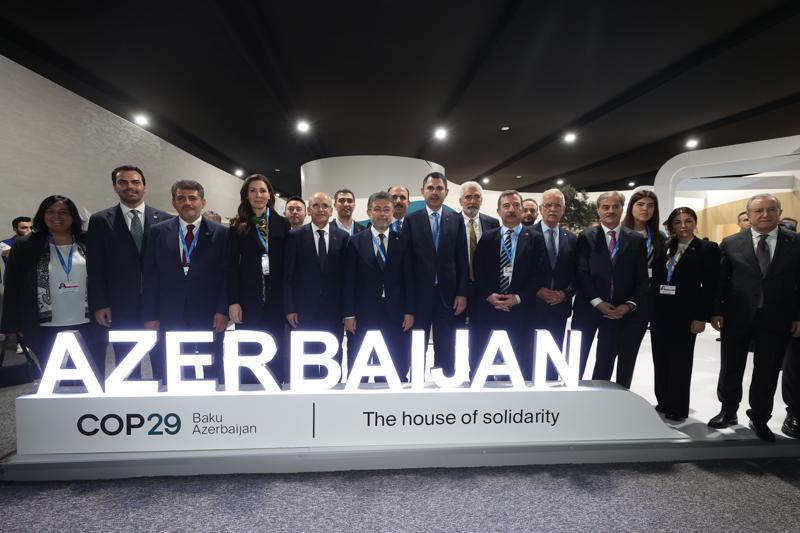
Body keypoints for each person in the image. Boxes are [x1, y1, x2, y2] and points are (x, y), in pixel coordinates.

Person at [709, 193, 800, 441]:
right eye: (758, 210)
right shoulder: (731, 243)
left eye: (771, 210)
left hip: (777, 318)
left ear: (780, 213)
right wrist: (716, 311)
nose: (765, 215)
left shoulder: (796, 243)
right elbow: (721, 282)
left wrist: (798, 316)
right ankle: (728, 411)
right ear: (748, 215)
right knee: (731, 366)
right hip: (736, 316)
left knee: (767, 370)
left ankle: (759, 418)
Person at [1, 196, 105, 375]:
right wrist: (11, 323)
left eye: (63, 212)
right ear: (42, 215)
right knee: (54, 380)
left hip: (89, 322)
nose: (57, 216)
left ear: (73, 216)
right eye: (50, 211)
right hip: (43, 326)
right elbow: (13, 283)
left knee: (92, 376)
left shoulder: (89, 241)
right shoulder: (25, 245)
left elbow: (104, 276)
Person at [87, 165, 172, 379]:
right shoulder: (100, 220)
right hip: (120, 306)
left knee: (163, 361)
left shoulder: (164, 219)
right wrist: (99, 303)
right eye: (122, 182)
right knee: (127, 362)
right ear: (115, 186)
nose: (130, 187)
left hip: (158, 305)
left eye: (135, 182)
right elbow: (95, 266)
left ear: (144, 186)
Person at [142, 180, 229, 382]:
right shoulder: (157, 232)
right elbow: (150, 276)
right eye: (181, 198)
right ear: (174, 202)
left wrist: (222, 310)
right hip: (169, 311)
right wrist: (150, 314)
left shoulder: (221, 233)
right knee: (169, 364)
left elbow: (225, 275)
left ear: (203, 202)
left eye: (193, 198)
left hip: (208, 311)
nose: (187, 202)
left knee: (212, 362)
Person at [571, 191, 648, 388]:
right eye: (605, 207)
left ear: (622, 209)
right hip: (588, 308)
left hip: (617, 311)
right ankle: (569, 396)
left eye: (615, 206)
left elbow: (641, 278)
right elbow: (581, 272)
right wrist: (597, 302)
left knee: (605, 361)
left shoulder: (636, 240)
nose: (610, 211)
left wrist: (628, 305)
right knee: (575, 358)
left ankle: (599, 399)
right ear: (598, 210)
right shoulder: (586, 237)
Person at [651, 207, 719, 422]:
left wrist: (701, 317)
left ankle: (678, 407)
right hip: (661, 313)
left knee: (680, 361)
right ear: (671, 226)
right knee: (660, 359)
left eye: (688, 221)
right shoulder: (664, 246)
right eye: (678, 222)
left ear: (695, 223)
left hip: (686, 315)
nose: (683, 226)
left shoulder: (707, 248)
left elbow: (710, 286)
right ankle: (663, 401)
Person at [472, 190, 544, 379]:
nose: (511, 209)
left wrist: (518, 298)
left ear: (522, 210)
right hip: (489, 309)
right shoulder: (488, 237)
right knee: (482, 360)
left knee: (518, 362)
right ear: (498, 211)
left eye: (516, 205)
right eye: (506, 206)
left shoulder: (535, 238)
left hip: (520, 311)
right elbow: (478, 269)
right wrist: (489, 295)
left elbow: (539, 274)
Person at [402, 172, 468, 376]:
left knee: (446, 343)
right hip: (419, 295)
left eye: (439, 188)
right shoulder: (411, 220)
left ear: (446, 192)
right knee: (417, 343)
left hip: (448, 296)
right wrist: (408, 300)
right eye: (430, 188)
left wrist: (462, 293)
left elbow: (462, 259)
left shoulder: (456, 219)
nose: (435, 192)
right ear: (422, 191)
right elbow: (406, 264)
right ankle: (416, 382)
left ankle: (444, 380)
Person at [343, 191, 414, 381]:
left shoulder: (403, 242)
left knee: (393, 369)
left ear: (392, 212)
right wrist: (348, 314)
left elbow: (409, 280)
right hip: (363, 315)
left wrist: (409, 311)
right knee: (359, 371)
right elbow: (349, 280)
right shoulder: (355, 241)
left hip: (395, 314)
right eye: (377, 209)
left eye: (386, 209)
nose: (382, 214)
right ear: (369, 212)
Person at [227, 174, 291, 384]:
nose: (258, 195)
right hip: (248, 299)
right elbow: (231, 267)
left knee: (276, 346)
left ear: (270, 195)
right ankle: (249, 390)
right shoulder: (237, 225)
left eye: (263, 190)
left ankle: (276, 389)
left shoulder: (282, 224)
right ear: (246, 195)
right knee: (248, 348)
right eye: (253, 191)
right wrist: (234, 301)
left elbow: (288, 267)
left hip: (276, 299)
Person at [284, 192, 350, 378]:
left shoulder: (343, 237)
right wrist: (290, 308)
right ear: (309, 210)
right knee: (307, 356)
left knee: (334, 355)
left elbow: (346, 277)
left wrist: (347, 311)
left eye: (325, 206)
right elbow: (288, 276)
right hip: (303, 311)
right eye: (316, 206)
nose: (320, 209)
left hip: (334, 311)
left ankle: (333, 388)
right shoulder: (294, 236)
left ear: (331, 210)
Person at [619, 190, 666, 384]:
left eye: (650, 205)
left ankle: (623, 391)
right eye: (640, 204)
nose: (645, 209)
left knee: (629, 353)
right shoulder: (618, 232)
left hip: (643, 300)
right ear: (631, 207)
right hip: (617, 298)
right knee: (607, 353)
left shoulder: (659, 237)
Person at [531, 188, 577, 381]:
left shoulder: (572, 239)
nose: (552, 209)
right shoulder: (527, 234)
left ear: (563, 209)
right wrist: (536, 290)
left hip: (559, 307)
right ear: (541, 209)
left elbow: (578, 273)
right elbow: (521, 272)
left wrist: (566, 294)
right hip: (532, 306)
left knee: (554, 354)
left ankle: (550, 389)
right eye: (548, 205)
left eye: (557, 205)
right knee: (528, 355)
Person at [459, 181, 499, 360]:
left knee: (481, 335)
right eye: (468, 197)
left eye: (476, 197)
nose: (472, 201)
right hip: (457, 290)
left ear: (481, 200)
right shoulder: (450, 222)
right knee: (454, 335)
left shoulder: (493, 223)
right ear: (461, 200)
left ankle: (477, 371)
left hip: (484, 290)